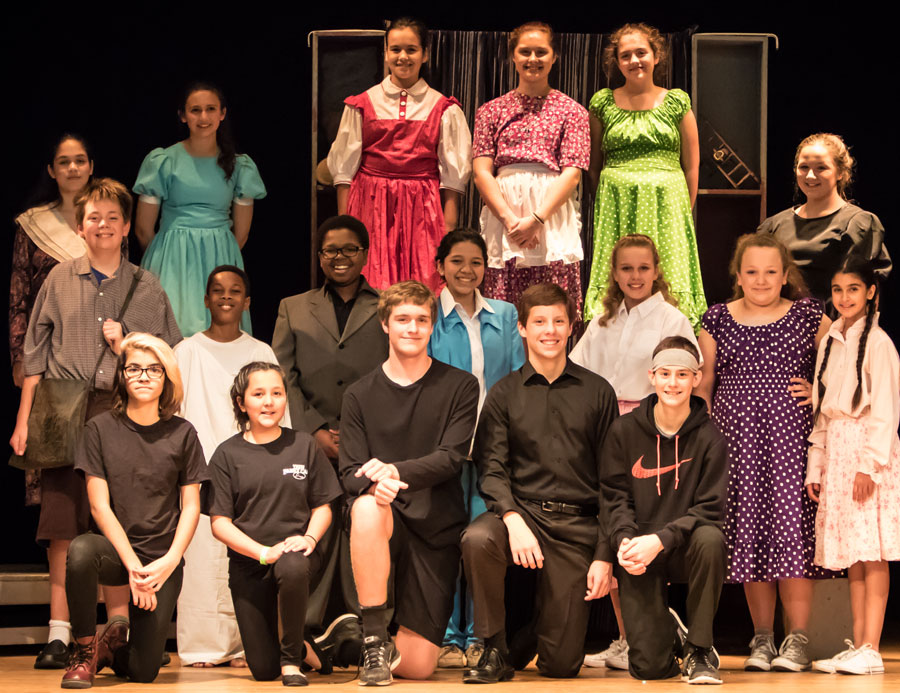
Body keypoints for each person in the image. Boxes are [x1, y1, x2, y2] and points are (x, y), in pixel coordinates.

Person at [9, 178, 180, 672]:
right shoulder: (59, 279)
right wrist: (24, 422)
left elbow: (165, 353)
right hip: (62, 410)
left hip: (120, 411)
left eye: (112, 217)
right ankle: (62, 630)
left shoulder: (145, 286)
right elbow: (35, 356)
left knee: (116, 521)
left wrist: (125, 342)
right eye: (93, 218)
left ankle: (118, 627)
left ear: (127, 226)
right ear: (79, 226)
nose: (102, 225)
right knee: (63, 522)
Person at [461, 283, 618, 683]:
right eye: (540, 322)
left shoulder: (598, 392)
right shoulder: (503, 394)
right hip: (522, 513)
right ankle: (494, 648)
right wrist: (512, 519)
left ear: (571, 328)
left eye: (559, 321)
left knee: (562, 667)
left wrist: (604, 553)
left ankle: (530, 634)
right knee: (478, 539)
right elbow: (491, 469)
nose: (550, 330)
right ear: (524, 330)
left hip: (576, 524)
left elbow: (613, 481)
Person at [697, 234, 832, 673]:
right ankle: (762, 638)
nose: (761, 280)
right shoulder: (716, 319)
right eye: (751, 271)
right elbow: (704, 385)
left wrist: (817, 391)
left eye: (771, 271)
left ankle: (797, 641)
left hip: (790, 441)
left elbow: (841, 372)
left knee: (791, 532)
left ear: (785, 275)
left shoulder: (811, 316)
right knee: (751, 535)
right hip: (737, 443)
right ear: (739, 276)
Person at [339, 281, 479, 685]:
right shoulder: (358, 394)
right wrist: (374, 487)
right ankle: (371, 640)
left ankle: (342, 645)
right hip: (381, 518)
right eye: (403, 319)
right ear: (385, 324)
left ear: (432, 326)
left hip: (435, 525)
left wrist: (393, 473)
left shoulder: (460, 386)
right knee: (365, 507)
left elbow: (451, 458)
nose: (412, 328)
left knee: (418, 669)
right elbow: (350, 472)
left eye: (422, 319)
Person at [571, 233, 698, 672]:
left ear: (657, 270)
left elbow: (684, 380)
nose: (635, 276)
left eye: (643, 268)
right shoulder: (601, 320)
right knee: (612, 527)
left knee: (642, 530)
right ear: (614, 273)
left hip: (649, 432)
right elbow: (579, 372)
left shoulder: (671, 319)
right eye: (626, 268)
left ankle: (654, 630)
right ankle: (625, 637)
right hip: (606, 429)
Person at [61, 333, 206, 688]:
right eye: (134, 368)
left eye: (154, 369)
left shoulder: (183, 433)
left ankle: (113, 650)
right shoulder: (99, 429)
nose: (143, 376)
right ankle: (84, 651)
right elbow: (98, 505)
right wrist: (134, 567)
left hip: (162, 559)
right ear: (122, 376)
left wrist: (168, 561)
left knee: (144, 672)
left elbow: (191, 507)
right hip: (117, 553)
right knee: (80, 551)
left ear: (166, 377)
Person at [272, 215, 388, 650]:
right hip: (309, 440)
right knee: (311, 529)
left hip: (370, 440)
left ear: (365, 253)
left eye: (349, 250)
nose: (339, 258)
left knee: (363, 526)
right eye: (330, 251)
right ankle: (306, 630)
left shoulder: (385, 305)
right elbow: (283, 374)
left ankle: (364, 629)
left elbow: (393, 374)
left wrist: (355, 434)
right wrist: (316, 429)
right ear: (319, 257)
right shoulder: (293, 306)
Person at [174, 266, 288, 668]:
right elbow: (172, 413)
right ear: (205, 300)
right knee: (203, 555)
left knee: (245, 557)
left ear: (247, 301)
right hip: (200, 469)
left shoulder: (260, 352)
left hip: (253, 471)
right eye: (217, 291)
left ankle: (245, 645)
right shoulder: (186, 351)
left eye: (235, 291)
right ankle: (204, 646)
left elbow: (279, 415)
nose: (225, 297)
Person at [8, 134, 93, 668]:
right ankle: (58, 629)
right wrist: (23, 364)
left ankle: (106, 631)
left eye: (80, 159)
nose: (72, 168)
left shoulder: (109, 220)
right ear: (52, 169)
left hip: (103, 381)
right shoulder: (32, 226)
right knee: (59, 513)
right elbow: (19, 293)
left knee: (104, 506)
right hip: (52, 381)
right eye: (64, 161)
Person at [208, 362, 344, 685]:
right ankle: (304, 648)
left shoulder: (304, 445)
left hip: (298, 554)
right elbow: (220, 524)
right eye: (258, 394)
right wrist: (263, 552)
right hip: (249, 563)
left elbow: (324, 505)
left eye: (277, 393)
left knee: (293, 565)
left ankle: (292, 663)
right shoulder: (226, 455)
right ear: (242, 403)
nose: (269, 402)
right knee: (262, 669)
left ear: (285, 399)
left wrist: (310, 539)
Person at [601, 336, 727, 684]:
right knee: (649, 670)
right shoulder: (624, 431)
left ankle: (700, 649)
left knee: (711, 539)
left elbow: (711, 509)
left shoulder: (710, 437)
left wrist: (661, 539)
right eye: (665, 373)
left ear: (696, 379)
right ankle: (670, 633)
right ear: (651, 376)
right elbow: (614, 497)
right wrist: (625, 541)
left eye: (682, 375)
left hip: (686, 546)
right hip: (641, 549)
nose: (673, 383)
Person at [427, 228, 525, 667]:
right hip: (443, 447)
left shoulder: (505, 315)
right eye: (457, 261)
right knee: (445, 541)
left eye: (476, 262)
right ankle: (448, 636)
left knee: (481, 543)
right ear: (440, 266)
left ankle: (482, 637)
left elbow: (519, 381)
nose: (467, 270)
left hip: (493, 448)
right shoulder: (426, 314)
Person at [326, 18, 472, 291]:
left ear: (425, 54)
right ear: (386, 52)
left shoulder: (443, 108)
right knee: (369, 283)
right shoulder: (362, 103)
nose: (403, 57)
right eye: (395, 49)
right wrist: (345, 227)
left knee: (421, 283)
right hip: (371, 205)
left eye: (411, 49)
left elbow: (453, 178)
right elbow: (344, 173)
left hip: (421, 207)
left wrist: (447, 230)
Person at [805, 258, 900, 675]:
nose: (844, 298)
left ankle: (872, 645)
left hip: (865, 451)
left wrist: (870, 466)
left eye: (853, 289)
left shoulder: (879, 343)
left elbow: (885, 411)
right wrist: (816, 465)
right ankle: (858, 643)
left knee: (872, 551)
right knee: (852, 555)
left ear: (871, 292)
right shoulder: (831, 341)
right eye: (838, 290)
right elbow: (823, 412)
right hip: (839, 451)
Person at [583, 23, 704, 330]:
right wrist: (611, 194)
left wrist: (683, 211)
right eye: (626, 55)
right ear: (617, 61)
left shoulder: (676, 102)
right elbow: (594, 164)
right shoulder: (603, 103)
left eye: (641, 52)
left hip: (667, 204)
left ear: (655, 56)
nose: (634, 60)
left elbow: (691, 165)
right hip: (617, 204)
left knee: (667, 273)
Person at [472, 22, 589, 326]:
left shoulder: (572, 111)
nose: (533, 59)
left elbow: (572, 173)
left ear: (554, 57)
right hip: (505, 217)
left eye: (541, 52)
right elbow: (482, 172)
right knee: (505, 307)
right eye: (525, 52)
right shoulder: (490, 111)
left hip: (550, 216)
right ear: (513, 56)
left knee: (552, 300)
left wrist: (536, 220)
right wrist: (512, 222)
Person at [134, 82, 266, 337]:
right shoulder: (163, 161)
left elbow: (242, 234)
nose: (203, 117)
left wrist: (216, 249)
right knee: (170, 333)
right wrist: (167, 256)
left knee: (221, 332)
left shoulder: (240, 166)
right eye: (195, 110)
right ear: (183, 116)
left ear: (222, 114)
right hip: (171, 258)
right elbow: (143, 229)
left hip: (220, 257)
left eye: (210, 109)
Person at [757, 132, 891, 315]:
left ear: (841, 173)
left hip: (833, 333)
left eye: (821, 168)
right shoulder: (774, 225)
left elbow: (865, 293)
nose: (810, 176)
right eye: (803, 167)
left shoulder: (857, 224)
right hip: (780, 333)